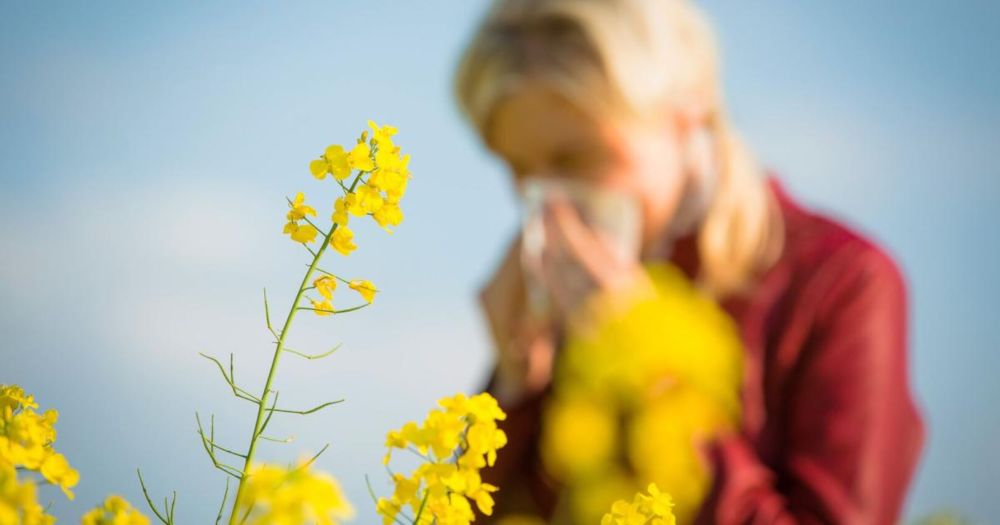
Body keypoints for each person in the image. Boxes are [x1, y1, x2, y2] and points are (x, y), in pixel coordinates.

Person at [453, 0, 925, 523]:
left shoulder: (840, 283)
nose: (548, 200)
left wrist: (643, 366)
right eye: (518, 168)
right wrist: (513, 391)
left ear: (685, 115)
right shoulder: (565, 296)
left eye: (575, 157)